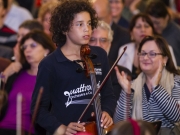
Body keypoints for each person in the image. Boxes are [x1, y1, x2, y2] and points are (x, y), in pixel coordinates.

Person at [31, 0, 116, 135]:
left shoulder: (99, 55)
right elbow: (38, 109)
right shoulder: (50, 64)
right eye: (79, 24)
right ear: (64, 28)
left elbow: (108, 95)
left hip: (96, 130)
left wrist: (107, 111)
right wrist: (61, 128)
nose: (86, 29)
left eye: (89, 23)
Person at [114, 35, 180, 135]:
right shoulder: (132, 85)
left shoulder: (176, 81)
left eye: (152, 54)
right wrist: (126, 93)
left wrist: (156, 87)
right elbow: (119, 123)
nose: (145, 57)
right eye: (143, 53)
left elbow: (177, 116)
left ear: (165, 59)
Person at [0, 30, 55, 135]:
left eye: (33, 46)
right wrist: (4, 76)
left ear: (46, 50)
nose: (27, 50)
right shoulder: (16, 73)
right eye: (25, 47)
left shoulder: (51, 78)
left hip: (27, 132)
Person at [117, 13, 177, 80]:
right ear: (131, 33)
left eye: (146, 26)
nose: (143, 30)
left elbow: (172, 74)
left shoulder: (165, 48)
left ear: (153, 31)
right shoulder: (124, 49)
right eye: (138, 27)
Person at [89, 20, 132, 100]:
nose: (98, 45)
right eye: (92, 40)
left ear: (110, 44)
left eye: (103, 40)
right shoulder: (77, 70)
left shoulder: (122, 73)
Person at [146, 0, 180, 66]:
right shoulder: (149, 32)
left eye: (157, 23)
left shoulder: (177, 34)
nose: (154, 26)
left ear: (167, 17)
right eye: (151, 22)